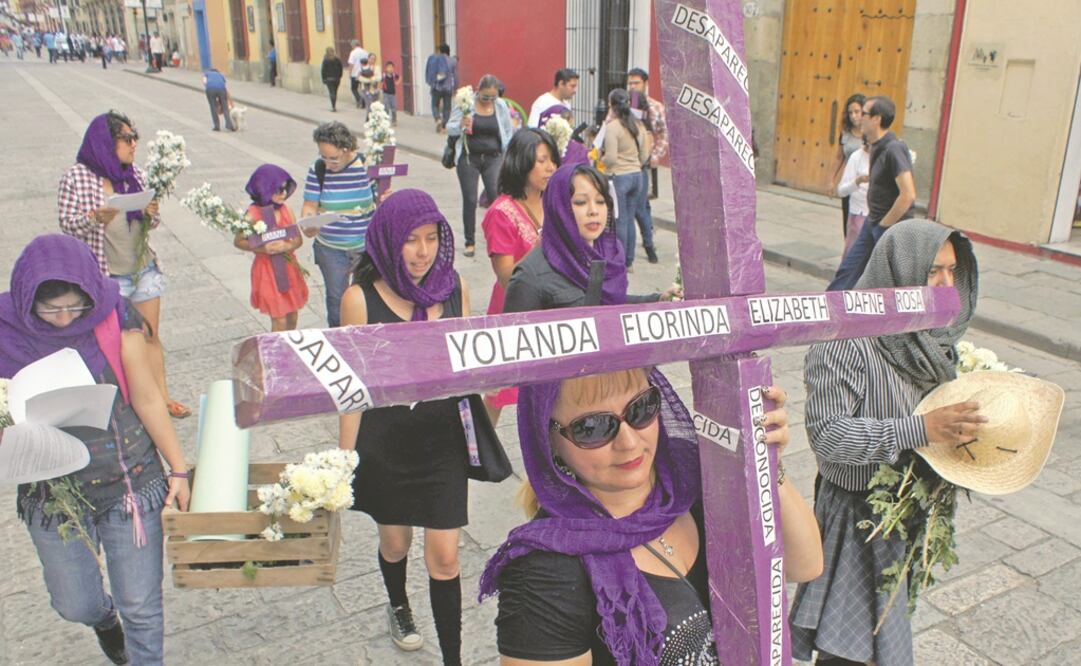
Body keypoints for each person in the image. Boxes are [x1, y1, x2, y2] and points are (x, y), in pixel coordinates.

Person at [482, 365, 822, 664]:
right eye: (593, 428)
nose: (629, 442)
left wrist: (767, 464)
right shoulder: (545, 572)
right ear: (548, 439)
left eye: (641, 409)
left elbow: (804, 564)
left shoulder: (696, 483)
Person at [790, 219, 980, 666]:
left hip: (901, 519)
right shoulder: (846, 340)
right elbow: (828, 437)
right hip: (858, 518)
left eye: (954, 272)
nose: (945, 284)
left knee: (881, 644)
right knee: (848, 651)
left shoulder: (927, 339)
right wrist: (922, 430)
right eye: (933, 270)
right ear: (900, 267)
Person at [1, 234, 191, 666]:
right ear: (27, 299)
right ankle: (104, 620)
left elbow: (145, 397)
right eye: (50, 309)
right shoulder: (4, 331)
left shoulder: (111, 315)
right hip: (53, 496)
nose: (65, 318)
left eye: (74, 305)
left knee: (142, 608)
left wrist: (178, 469)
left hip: (128, 480)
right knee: (76, 604)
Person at [338, 190, 471, 665]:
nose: (422, 251)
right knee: (395, 543)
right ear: (389, 241)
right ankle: (398, 604)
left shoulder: (453, 287)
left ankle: (452, 657)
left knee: (446, 557)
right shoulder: (359, 299)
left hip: (440, 441)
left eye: (431, 238)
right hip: (386, 444)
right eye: (411, 240)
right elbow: (350, 389)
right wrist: (344, 462)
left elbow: (468, 364)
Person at [58, 111, 191, 419]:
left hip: (143, 268)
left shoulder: (135, 174)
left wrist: (150, 212)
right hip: (107, 275)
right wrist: (94, 218)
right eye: (128, 138)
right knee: (117, 344)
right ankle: (130, 402)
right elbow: (67, 224)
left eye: (135, 137)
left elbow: (152, 221)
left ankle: (162, 397)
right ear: (106, 142)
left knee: (150, 335)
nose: (134, 144)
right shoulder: (77, 177)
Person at [504, 163, 680, 313]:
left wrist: (658, 300)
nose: (594, 211)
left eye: (601, 201)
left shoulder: (606, 254)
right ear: (559, 208)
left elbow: (607, 304)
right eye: (580, 202)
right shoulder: (530, 277)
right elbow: (515, 344)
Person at [481, 129, 560, 423]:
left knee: (548, 393)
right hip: (512, 312)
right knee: (497, 393)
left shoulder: (553, 202)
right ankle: (478, 456)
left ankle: (541, 465)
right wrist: (543, 244)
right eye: (542, 160)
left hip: (552, 310)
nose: (550, 167)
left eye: (553, 160)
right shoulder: (501, 212)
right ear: (522, 162)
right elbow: (506, 277)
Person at [827, 96, 916, 291]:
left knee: (891, 283)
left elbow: (908, 195)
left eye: (864, 113)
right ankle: (828, 311)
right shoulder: (875, 146)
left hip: (889, 227)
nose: (859, 118)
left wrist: (885, 225)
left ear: (877, 119)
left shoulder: (894, 148)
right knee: (848, 270)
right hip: (872, 222)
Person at [300, 121, 378, 327]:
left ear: (347, 150)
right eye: (323, 156)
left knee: (365, 299)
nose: (327, 163)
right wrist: (309, 223)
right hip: (331, 248)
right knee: (337, 301)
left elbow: (379, 200)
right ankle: (338, 340)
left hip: (364, 248)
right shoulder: (318, 170)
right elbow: (309, 205)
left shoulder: (366, 167)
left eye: (333, 158)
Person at [446, 74, 515, 258]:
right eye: (485, 97)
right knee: (470, 199)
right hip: (469, 158)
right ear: (478, 91)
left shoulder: (500, 106)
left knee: (496, 197)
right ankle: (470, 242)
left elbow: (508, 131)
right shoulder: (465, 104)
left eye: (493, 97)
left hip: (493, 158)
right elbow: (450, 126)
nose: (489, 101)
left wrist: (508, 153)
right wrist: (461, 125)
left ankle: (499, 239)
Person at [236, 164, 308, 332]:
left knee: (292, 316)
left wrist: (287, 245)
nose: (283, 193)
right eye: (278, 190)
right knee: (279, 319)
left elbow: (298, 240)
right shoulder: (253, 214)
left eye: (285, 189)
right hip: (267, 270)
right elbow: (239, 241)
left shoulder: (286, 210)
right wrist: (263, 249)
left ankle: (289, 347)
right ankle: (276, 353)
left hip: (289, 267)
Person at [601, 88, 652, 270]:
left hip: (619, 177)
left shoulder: (613, 128)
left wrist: (601, 161)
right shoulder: (638, 125)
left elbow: (611, 158)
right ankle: (629, 260)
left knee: (620, 220)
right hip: (637, 175)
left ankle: (621, 261)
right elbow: (645, 154)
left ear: (611, 105)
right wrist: (635, 164)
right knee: (630, 219)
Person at [626, 67, 667, 264]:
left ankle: (649, 245)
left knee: (641, 207)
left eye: (636, 83)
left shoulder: (656, 107)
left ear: (645, 83)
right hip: (627, 163)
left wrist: (656, 155)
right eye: (630, 83)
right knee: (637, 206)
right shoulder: (626, 105)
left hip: (644, 163)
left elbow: (664, 134)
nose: (633, 87)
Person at [830, 93, 866, 240]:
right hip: (849, 183)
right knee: (849, 224)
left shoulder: (869, 134)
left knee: (862, 225)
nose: (853, 116)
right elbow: (839, 157)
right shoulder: (845, 133)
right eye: (850, 112)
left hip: (865, 187)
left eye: (857, 112)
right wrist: (831, 180)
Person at [836, 140, 870, 257]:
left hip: (878, 216)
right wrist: (858, 181)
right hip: (858, 214)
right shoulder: (857, 157)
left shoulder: (885, 157)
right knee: (854, 256)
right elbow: (841, 191)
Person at [425, 43, 454, 131]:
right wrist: (455, 87)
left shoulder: (433, 59)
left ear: (440, 50)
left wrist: (430, 82)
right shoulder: (452, 61)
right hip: (448, 87)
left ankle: (437, 119)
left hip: (436, 86)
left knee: (435, 105)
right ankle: (444, 125)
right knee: (447, 107)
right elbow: (455, 75)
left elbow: (428, 71)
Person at [347, 39, 369, 108]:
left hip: (355, 74)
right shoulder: (365, 52)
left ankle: (359, 99)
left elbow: (351, 64)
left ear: (353, 45)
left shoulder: (353, 53)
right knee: (363, 89)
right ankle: (363, 103)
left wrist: (349, 74)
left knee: (353, 88)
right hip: (364, 73)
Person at [320, 46, 343, 112]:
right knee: (335, 92)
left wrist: (323, 78)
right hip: (337, 79)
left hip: (329, 79)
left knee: (331, 92)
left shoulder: (325, 60)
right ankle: (334, 104)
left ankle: (333, 106)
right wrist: (340, 76)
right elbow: (340, 68)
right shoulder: (337, 59)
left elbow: (323, 70)